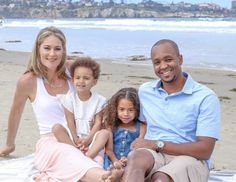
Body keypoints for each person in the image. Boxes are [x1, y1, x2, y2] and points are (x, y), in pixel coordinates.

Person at [0, 26, 122, 182]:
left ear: (63, 51)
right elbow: (15, 113)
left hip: (82, 137)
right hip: (51, 140)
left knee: (84, 152)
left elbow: (92, 80)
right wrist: (9, 144)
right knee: (67, 154)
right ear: (38, 50)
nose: (52, 54)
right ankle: (103, 177)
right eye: (47, 48)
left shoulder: (72, 70)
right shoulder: (28, 81)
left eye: (57, 49)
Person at [121, 39, 221, 182]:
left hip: (190, 159)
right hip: (154, 155)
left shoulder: (205, 97)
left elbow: (205, 150)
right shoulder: (145, 91)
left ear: (180, 59)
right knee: (135, 158)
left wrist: (156, 144)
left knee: (160, 178)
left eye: (168, 59)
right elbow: (143, 122)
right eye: (157, 62)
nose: (163, 66)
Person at [52, 57, 108, 166]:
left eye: (86, 78)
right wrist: (75, 138)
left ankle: (87, 156)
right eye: (77, 77)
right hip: (74, 137)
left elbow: (98, 123)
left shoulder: (99, 100)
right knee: (56, 128)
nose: (81, 81)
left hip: (91, 137)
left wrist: (88, 140)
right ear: (73, 80)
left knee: (104, 133)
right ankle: (75, 152)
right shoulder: (69, 98)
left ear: (94, 82)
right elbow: (70, 120)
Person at [103, 87, 146, 169]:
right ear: (115, 109)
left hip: (132, 162)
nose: (126, 114)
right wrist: (116, 161)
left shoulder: (142, 127)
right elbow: (109, 150)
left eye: (130, 110)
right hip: (112, 161)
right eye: (122, 109)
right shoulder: (111, 125)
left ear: (137, 110)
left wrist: (128, 160)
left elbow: (139, 149)